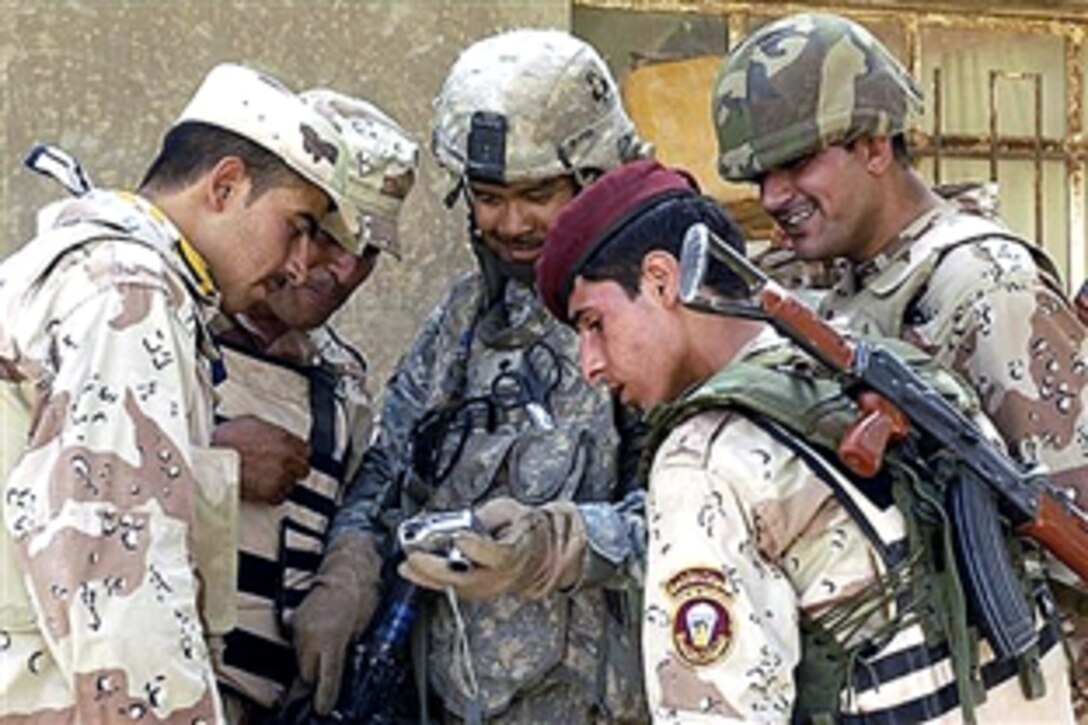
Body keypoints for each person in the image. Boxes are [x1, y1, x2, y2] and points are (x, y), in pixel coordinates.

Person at [535, 158, 1075, 722]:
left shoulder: (705, 459)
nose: (590, 366)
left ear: (662, 281)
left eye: (594, 323)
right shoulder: (883, 367)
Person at [713, 13, 1088, 712]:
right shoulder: (834, 281)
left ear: (874, 145)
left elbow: (1075, 519)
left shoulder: (982, 285)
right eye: (760, 175)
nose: (771, 197)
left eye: (796, 164)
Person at [291, 29, 651, 722]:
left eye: (537, 193)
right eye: (489, 196)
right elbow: (391, 463)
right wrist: (350, 564)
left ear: (595, 175)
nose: (510, 222)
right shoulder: (464, 320)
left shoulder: (654, 317)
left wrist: (559, 544)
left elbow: (705, 523)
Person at [0, 63, 365, 721]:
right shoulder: (128, 295)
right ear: (225, 185)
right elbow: (116, 580)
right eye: (298, 225)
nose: (301, 265)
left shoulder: (86, 270)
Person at [205, 90, 418, 721]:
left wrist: (351, 570)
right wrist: (208, 461)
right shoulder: (158, 327)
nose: (344, 269)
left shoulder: (338, 378)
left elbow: (365, 496)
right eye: (328, 235)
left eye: (369, 250)